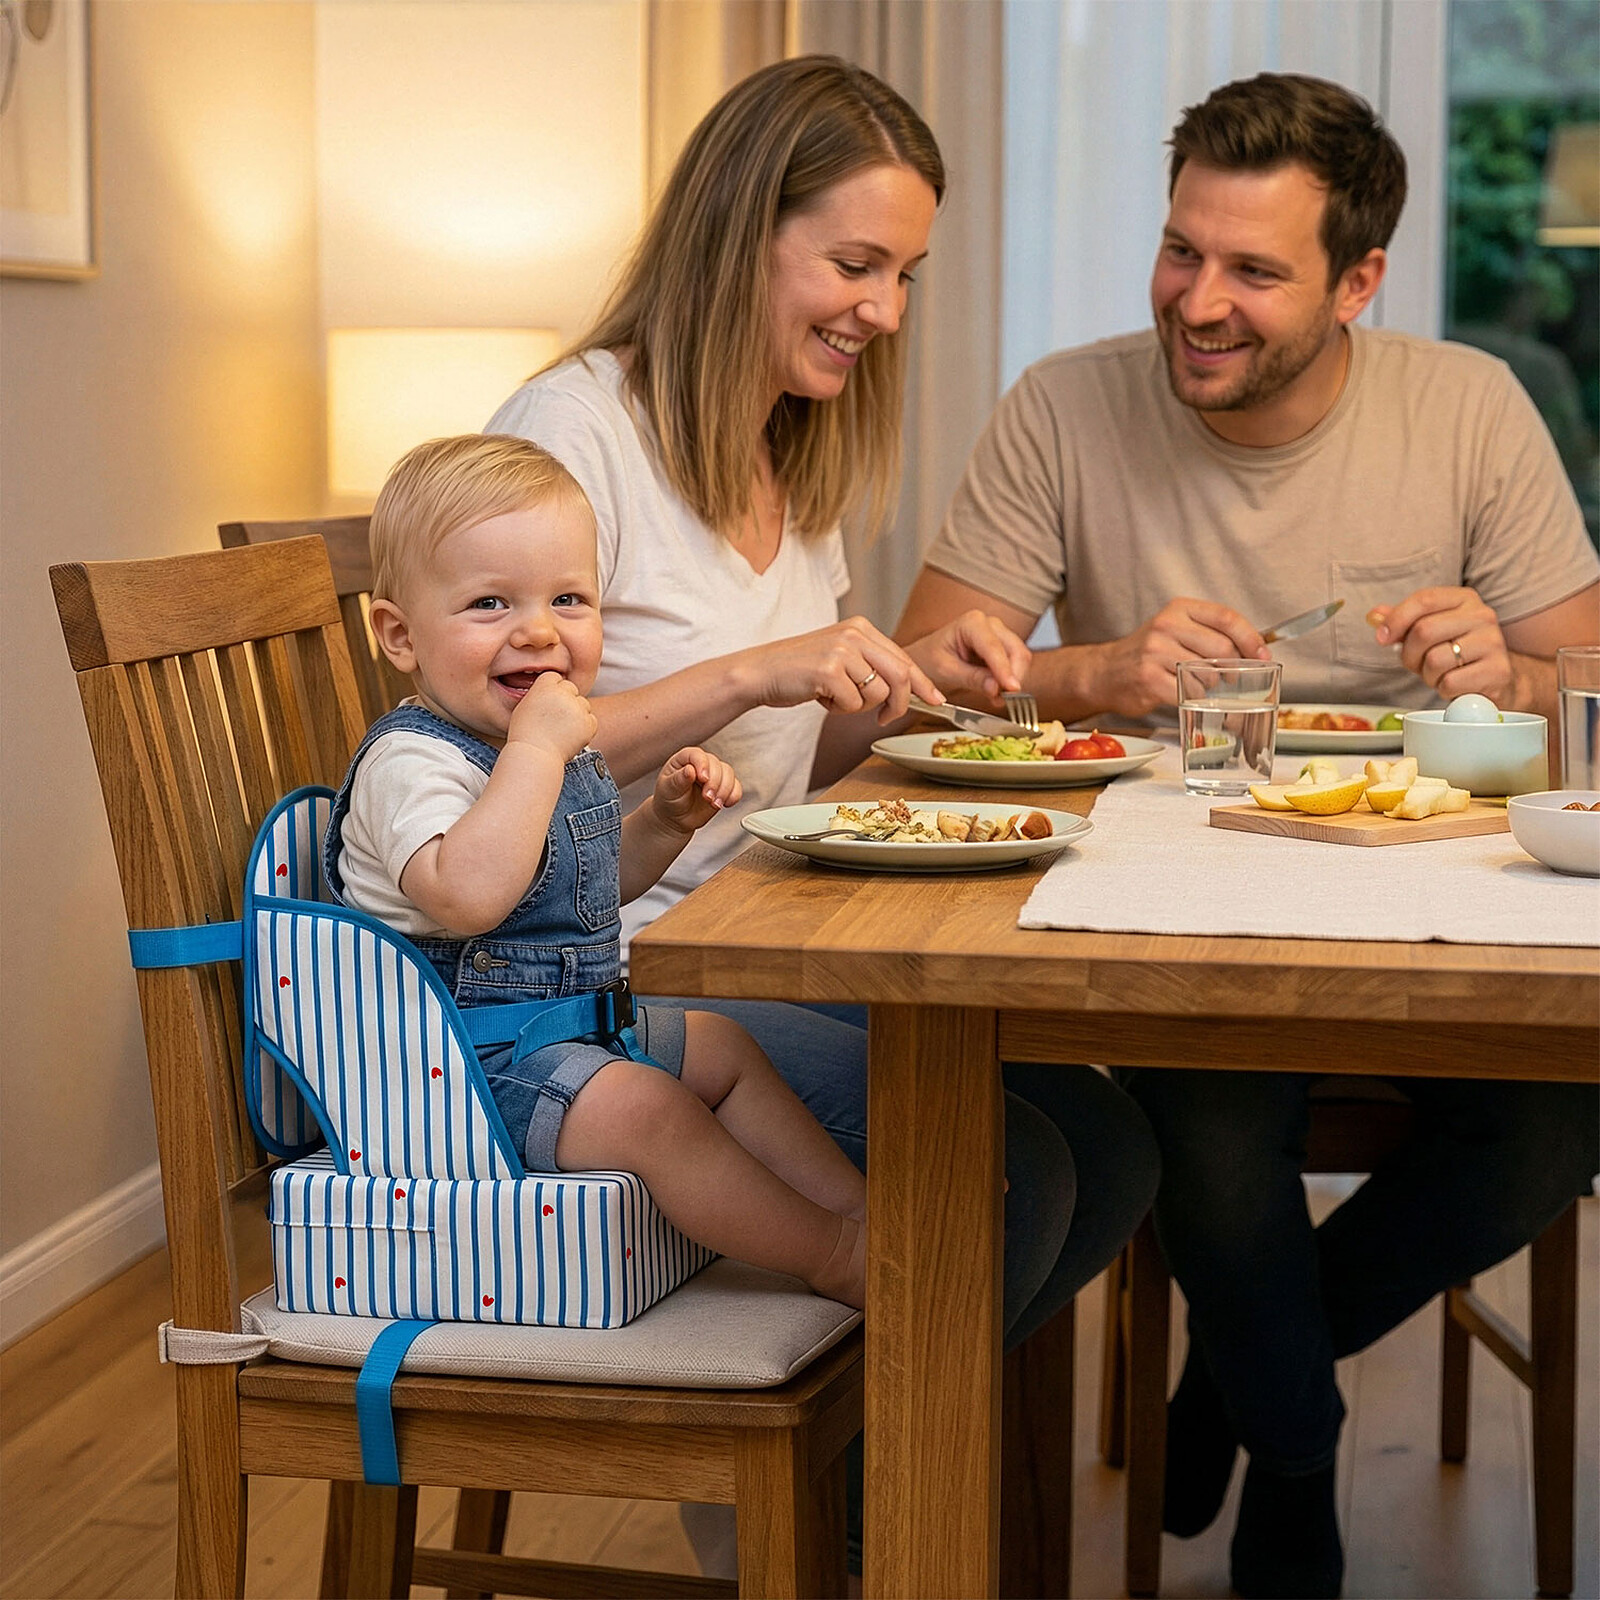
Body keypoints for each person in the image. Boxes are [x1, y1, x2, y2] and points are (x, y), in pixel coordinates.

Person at [895, 72, 1600, 1598]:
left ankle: (1232, 1376)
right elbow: (925, 670)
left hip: (1438, 893)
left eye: (1253, 271)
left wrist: (1513, 674)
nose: (1197, 303)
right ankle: (1296, 1454)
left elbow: (1588, 682)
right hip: (1184, 911)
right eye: (1179, 252)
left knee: (1562, 1111)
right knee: (1206, 1136)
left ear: (1358, 281)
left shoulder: (1468, 403)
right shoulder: (1064, 404)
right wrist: (1092, 671)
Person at [488, 54, 1160, 1571]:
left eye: (906, 273)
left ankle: (840, 1488)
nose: (886, 309)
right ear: (743, 233)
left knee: (1109, 1143)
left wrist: (905, 680)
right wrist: (751, 670)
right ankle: (830, 1538)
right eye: (856, 263)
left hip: (760, 938)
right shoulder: (570, 434)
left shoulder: (794, 460)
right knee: (1022, 1170)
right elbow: (491, 769)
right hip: (605, 981)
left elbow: (811, 742)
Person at [327, 433, 868, 1308]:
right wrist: (538, 753)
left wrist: (660, 821)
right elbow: (469, 898)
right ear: (400, 635)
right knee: (649, 1111)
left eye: (569, 598)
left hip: (566, 1031)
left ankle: (862, 1211)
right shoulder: (413, 765)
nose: (538, 630)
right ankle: (832, 1252)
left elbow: (582, 892)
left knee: (722, 1046)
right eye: (490, 603)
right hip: (459, 1073)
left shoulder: (539, 743)